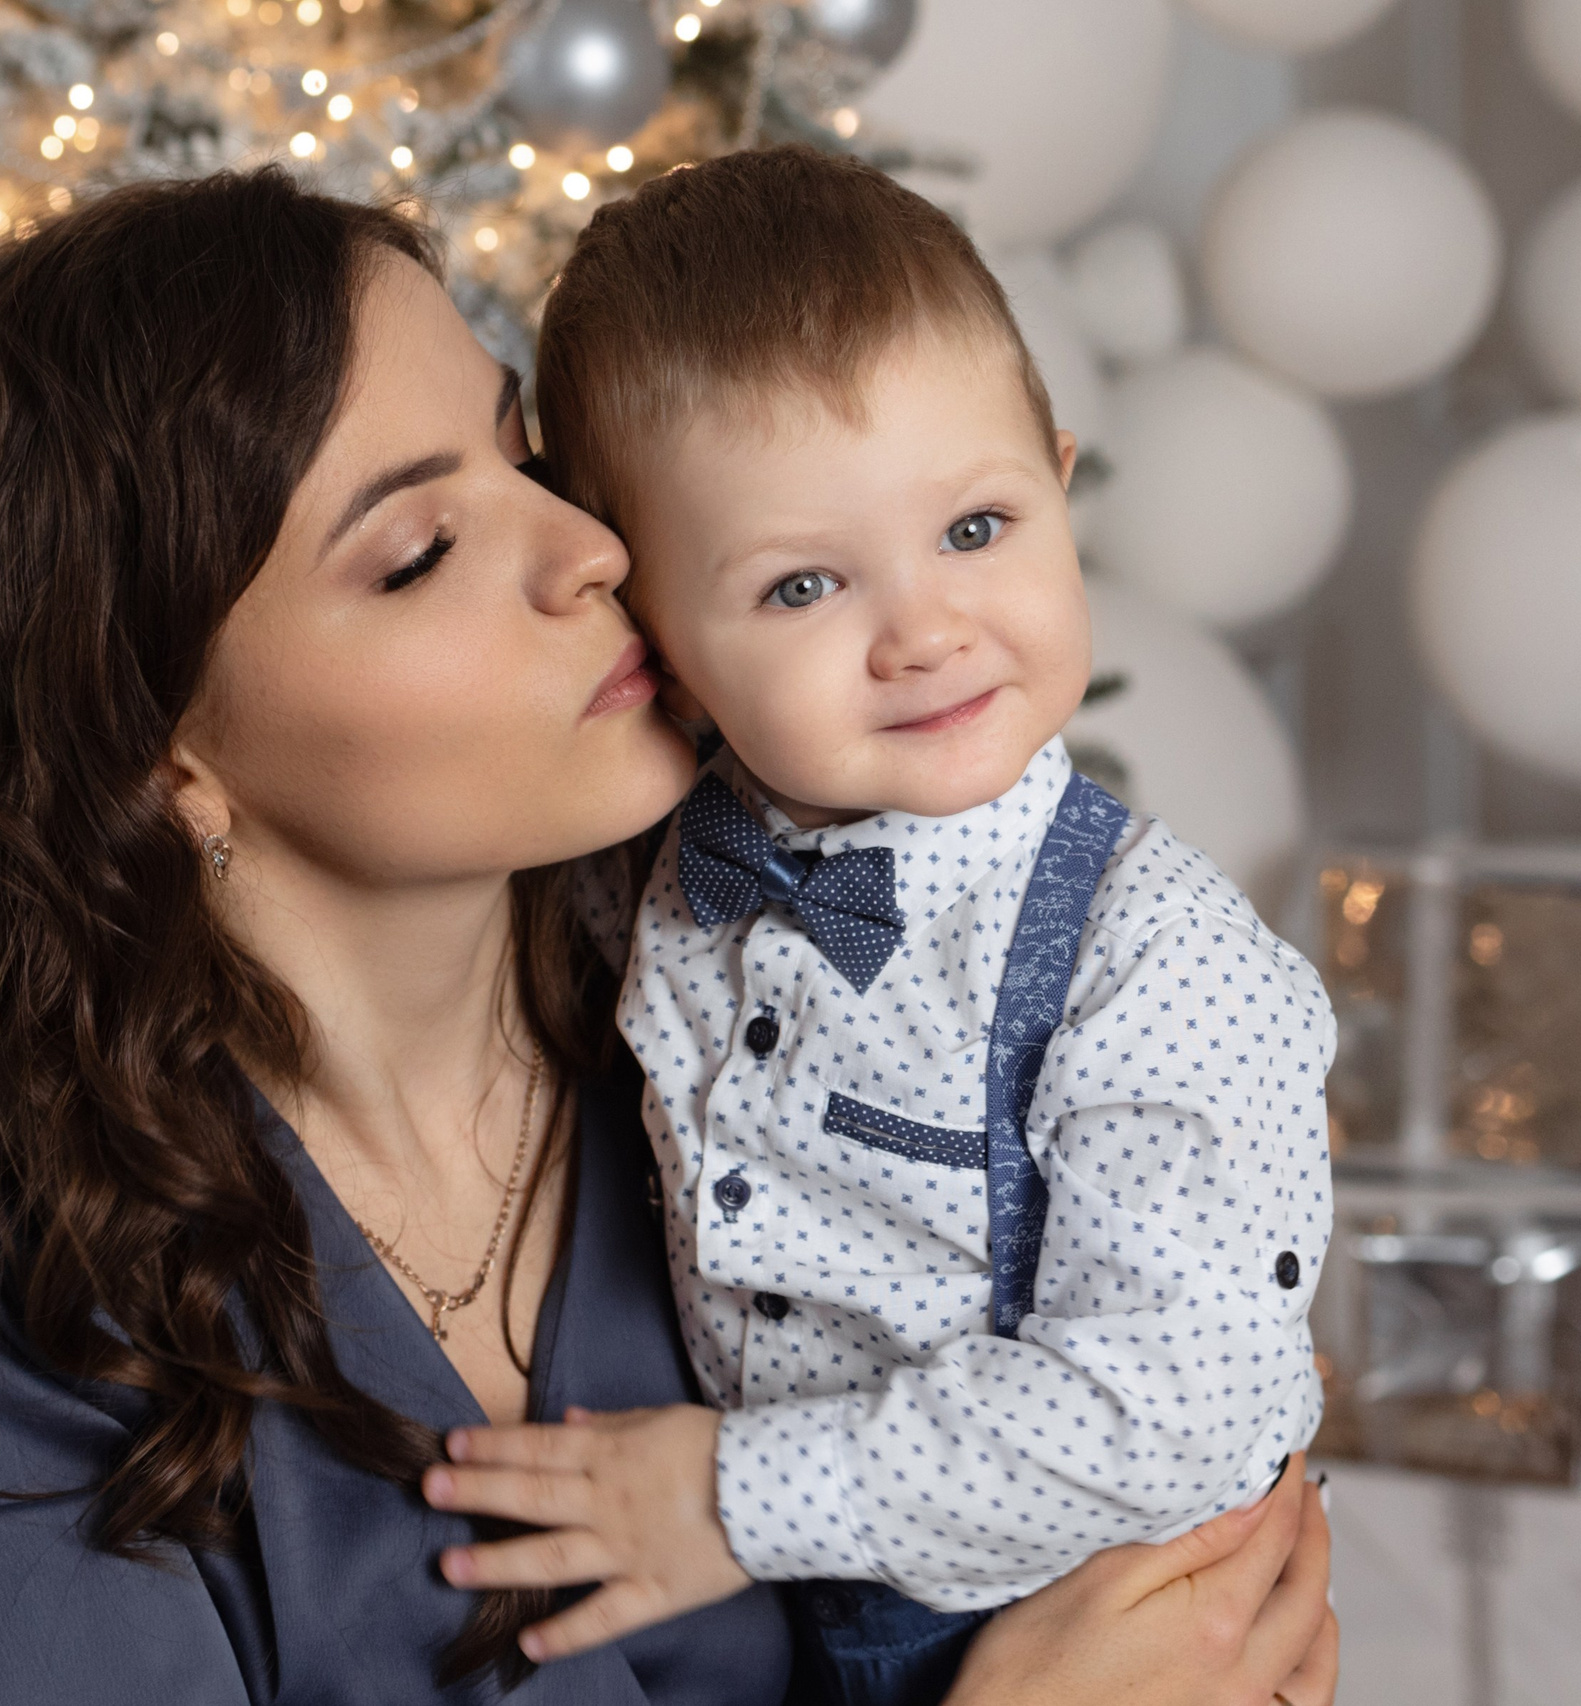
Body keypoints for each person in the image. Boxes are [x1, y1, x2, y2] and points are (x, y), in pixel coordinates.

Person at [0, 166, 1339, 1705]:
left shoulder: (726, 989)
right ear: (164, 759)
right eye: (418, 551)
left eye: (523, 454)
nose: (594, 549)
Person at [418, 149, 1337, 1705]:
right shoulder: (648, 871)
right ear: (666, 645)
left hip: (1094, 1615)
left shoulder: (1152, 961)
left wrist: (732, 1494)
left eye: (978, 527)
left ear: (1057, 475)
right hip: (816, 1627)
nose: (923, 630)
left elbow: (1180, 1395)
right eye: (801, 587)